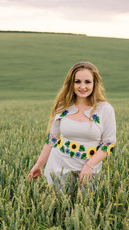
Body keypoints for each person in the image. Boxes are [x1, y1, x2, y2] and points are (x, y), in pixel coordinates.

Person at [29, 62, 116, 191]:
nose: (82, 86)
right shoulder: (63, 107)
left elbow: (109, 144)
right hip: (58, 168)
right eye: (77, 82)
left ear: (94, 83)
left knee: (85, 207)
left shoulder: (105, 109)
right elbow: (52, 139)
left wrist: (89, 165)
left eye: (87, 82)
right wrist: (38, 165)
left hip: (88, 171)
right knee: (57, 207)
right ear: (71, 83)